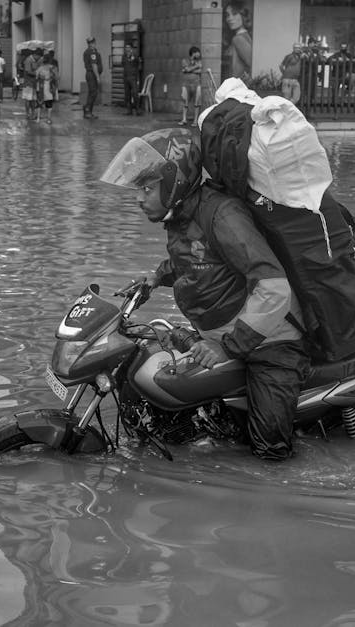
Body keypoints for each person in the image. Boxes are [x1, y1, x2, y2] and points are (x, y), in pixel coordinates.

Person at [99, 128, 310, 461]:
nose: (139, 198)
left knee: (269, 449)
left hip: (270, 343)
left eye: (147, 188)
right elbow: (196, 260)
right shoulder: (183, 215)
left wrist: (226, 348)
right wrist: (153, 279)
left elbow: (273, 286)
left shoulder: (222, 215)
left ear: (175, 182)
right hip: (222, 336)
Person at [224, 2, 253, 80]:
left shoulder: (238, 39)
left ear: (243, 15)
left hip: (237, 86)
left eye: (234, 13)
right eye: (227, 15)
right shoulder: (243, 36)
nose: (230, 18)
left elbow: (252, 64)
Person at [179, 46, 202, 126]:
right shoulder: (185, 60)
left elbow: (200, 70)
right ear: (194, 53)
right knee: (185, 101)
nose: (199, 55)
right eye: (198, 53)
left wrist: (188, 70)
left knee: (197, 102)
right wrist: (196, 67)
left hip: (196, 83)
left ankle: (195, 120)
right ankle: (184, 119)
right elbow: (186, 69)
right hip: (186, 84)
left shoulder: (199, 61)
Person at [82, 37, 103, 119]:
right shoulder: (92, 52)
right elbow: (94, 65)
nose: (92, 44)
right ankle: (87, 111)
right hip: (92, 75)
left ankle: (88, 111)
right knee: (93, 93)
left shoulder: (89, 51)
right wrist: (98, 77)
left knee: (92, 93)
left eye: (92, 42)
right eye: (91, 43)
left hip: (91, 74)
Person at [36, 51, 59, 124]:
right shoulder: (53, 68)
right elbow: (57, 77)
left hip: (41, 86)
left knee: (39, 103)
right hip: (50, 86)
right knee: (49, 103)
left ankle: (38, 118)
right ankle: (48, 118)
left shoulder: (40, 68)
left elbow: (36, 77)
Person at [122, 43, 143, 116]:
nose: (127, 49)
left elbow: (140, 64)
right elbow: (123, 65)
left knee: (135, 93)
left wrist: (137, 71)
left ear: (131, 48)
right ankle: (129, 110)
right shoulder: (124, 56)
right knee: (127, 95)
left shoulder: (135, 55)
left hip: (133, 77)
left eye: (128, 47)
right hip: (126, 77)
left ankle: (137, 109)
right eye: (126, 47)